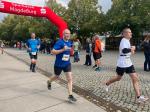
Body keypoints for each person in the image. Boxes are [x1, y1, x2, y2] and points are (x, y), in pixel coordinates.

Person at [104, 28, 149, 103]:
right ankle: (107, 83)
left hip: (129, 62)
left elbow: (127, 51)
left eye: (131, 32)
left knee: (135, 78)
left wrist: (131, 51)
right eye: (129, 32)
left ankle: (139, 97)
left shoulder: (127, 41)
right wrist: (131, 49)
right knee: (118, 78)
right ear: (124, 34)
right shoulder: (123, 40)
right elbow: (124, 50)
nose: (131, 33)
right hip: (122, 63)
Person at [47, 29, 77, 102]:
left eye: (69, 33)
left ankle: (70, 95)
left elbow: (70, 53)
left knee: (69, 79)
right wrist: (62, 50)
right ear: (63, 34)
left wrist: (72, 51)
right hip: (59, 64)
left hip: (67, 63)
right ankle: (49, 81)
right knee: (56, 76)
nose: (68, 35)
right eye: (66, 33)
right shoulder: (59, 42)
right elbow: (53, 52)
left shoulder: (69, 42)